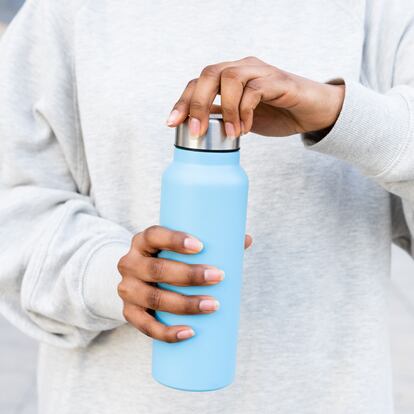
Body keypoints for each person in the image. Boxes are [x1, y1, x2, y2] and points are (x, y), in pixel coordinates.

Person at [0, 0, 413, 413]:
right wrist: (108, 273)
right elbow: (15, 204)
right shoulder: (66, 10)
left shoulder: (382, 9)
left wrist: (343, 115)